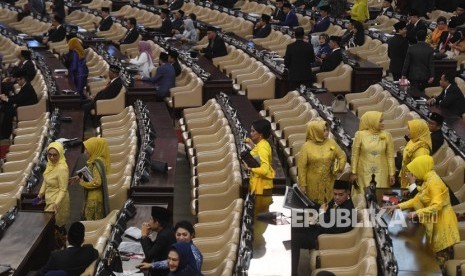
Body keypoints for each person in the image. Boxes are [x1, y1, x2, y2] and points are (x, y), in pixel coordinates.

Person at [385, 155, 460, 272]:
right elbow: (418, 199)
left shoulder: (434, 183)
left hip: (444, 226)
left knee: (437, 266)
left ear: (421, 169)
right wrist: (397, 206)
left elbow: (437, 205)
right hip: (437, 223)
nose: (413, 175)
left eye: (414, 172)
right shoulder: (428, 179)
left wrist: (417, 213)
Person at [291, 180, 355, 276]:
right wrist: (306, 201)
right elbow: (324, 208)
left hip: (326, 238)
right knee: (293, 227)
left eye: (340, 194)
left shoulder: (348, 209)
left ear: (348, 193)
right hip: (320, 229)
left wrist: (321, 213)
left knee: (295, 239)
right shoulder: (338, 201)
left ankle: (293, 273)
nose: (337, 197)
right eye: (335, 194)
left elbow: (330, 228)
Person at [297, 120, 346, 204]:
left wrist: (339, 168)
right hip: (313, 183)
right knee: (314, 208)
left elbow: (342, 156)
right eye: (324, 130)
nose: (327, 132)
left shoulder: (331, 143)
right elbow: (302, 167)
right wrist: (303, 185)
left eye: (327, 130)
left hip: (329, 181)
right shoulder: (306, 147)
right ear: (316, 132)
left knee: (329, 206)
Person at [350, 111, 395, 194]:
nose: (383, 123)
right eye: (380, 121)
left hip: (382, 171)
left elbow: (390, 156)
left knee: (380, 196)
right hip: (363, 171)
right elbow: (355, 155)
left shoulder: (387, 135)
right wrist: (353, 172)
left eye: (383, 121)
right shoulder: (360, 135)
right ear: (372, 121)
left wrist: (391, 173)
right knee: (363, 197)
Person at [137, 220, 203, 272]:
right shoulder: (180, 247)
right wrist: (151, 265)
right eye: (178, 235)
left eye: (185, 235)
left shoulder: (195, 257)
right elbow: (172, 262)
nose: (181, 238)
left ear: (191, 235)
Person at [74, 137, 111, 220]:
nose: (85, 151)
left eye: (87, 149)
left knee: (90, 222)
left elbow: (97, 182)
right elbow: (93, 174)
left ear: (94, 148)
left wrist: (83, 182)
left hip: (94, 200)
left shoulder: (96, 163)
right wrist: (80, 176)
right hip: (97, 198)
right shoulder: (101, 160)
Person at [37, 142, 70, 227]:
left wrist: (56, 203)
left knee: (52, 226)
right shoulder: (50, 164)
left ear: (60, 154)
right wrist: (40, 194)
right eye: (49, 154)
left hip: (58, 200)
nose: (51, 157)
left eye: (55, 155)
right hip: (49, 197)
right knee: (49, 226)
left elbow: (63, 189)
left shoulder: (62, 169)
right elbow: (46, 180)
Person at [0, 70, 38, 139]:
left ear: (23, 79)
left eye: (18, 80)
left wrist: (7, 99)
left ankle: (5, 135)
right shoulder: (26, 85)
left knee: (8, 112)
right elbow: (18, 97)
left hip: (27, 109)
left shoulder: (27, 87)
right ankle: (4, 133)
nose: (17, 82)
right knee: (7, 108)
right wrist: (7, 98)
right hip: (24, 106)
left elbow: (19, 99)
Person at [241, 119, 275, 196]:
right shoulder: (262, 143)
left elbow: (264, 170)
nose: (251, 133)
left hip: (262, 188)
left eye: (253, 131)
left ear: (260, 134)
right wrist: (252, 145)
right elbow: (258, 157)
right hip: (259, 185)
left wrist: (249, 169)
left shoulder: (263, 148)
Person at [139, 206, 176, 276]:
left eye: (151, 219)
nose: (148, 222)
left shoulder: (164, 236)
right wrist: (147, 237)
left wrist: (144, 236)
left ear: (157, 223)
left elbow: (149, 255)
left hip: (163, 272)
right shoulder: (166, 230)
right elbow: (155, 247)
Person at [399, 119, 431, 187]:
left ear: (417, 131)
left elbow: (418, 175)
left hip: (411, 183)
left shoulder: (423, 151)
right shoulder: (413, 140)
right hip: (405, 177)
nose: (408, 131)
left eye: (410, 129)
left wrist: (410, 187)